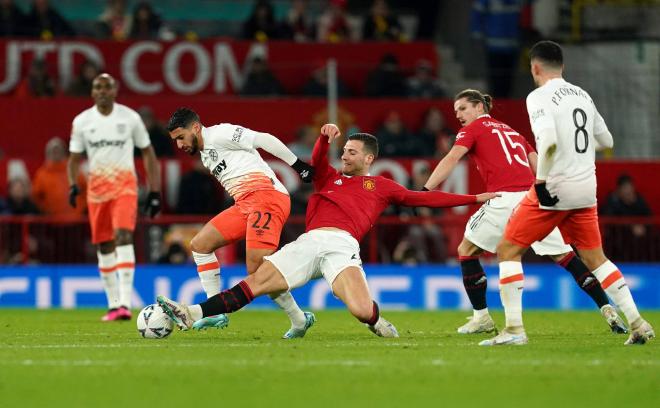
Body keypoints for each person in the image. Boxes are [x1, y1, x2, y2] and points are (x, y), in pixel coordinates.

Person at [156, 124, 498, 337]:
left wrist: (475, 197)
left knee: (362, 311)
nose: (344, 156)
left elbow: (428, 199)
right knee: (254, 280)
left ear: (367, 159)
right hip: (309, 243)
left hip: (342, 248)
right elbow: (317, 161)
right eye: (343, 150)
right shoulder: (327, 177)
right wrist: (323, 137)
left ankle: (377, 323)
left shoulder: (381, 186)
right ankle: (193, 312)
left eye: (351, 152)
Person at [482, 40, 654, 346]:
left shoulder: (537, 97)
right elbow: (606, 139)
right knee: (597, 259)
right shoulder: (582, 95)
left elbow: (547, 139)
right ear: (563, 66)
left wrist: (541, 180)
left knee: (508, 249)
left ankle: (514, 330)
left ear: (535, 67)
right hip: (586, 188)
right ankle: (638, 323)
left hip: (556, 185)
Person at [423, 88, 626, 336]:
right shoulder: (514, 132)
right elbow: (538, 164)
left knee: (467, 251)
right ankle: (607, 307)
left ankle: (482, 318)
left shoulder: (472, 129)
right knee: (566, 257)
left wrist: (426, 189)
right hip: (533, 201)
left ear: (479, 107)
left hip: (504, 199)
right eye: (456, 112)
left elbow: (452, 158)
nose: (459, 115)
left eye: (463, 108)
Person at [165, 107, 316, 339]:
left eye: (181, 138)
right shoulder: (206, 154)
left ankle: (298, 318)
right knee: (200, 245)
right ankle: (215, 310)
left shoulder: (220, 134)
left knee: (257, 270)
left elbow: (263, 139)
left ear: (195, 128)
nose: (179, 145)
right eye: (175, 141)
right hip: (244, 204)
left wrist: (298, 165)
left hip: (267, 197)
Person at [67, 73, 161, 322]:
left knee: (123, 235)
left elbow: (148, 153)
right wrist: (72, 185)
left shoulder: (130, 118)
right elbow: (74, 159)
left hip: (125, 187)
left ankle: (125, 304)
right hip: (97, 191)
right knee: (104, 244)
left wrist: (154, 190)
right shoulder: (82, 121)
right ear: (92, 92)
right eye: (98, 87)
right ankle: (113, 305)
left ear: (115, 90)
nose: (102, 91)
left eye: (107, 87)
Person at [32, 137, 86, 215]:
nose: (56, 153)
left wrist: (80, 208)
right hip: (52, 222)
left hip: (75, 221)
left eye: (58, 151)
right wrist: (46, 210)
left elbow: (86, 191)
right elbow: (36, 197)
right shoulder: (41, 175)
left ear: (64, 152)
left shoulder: (75, 171)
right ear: (48, 153)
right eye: (53, 151)